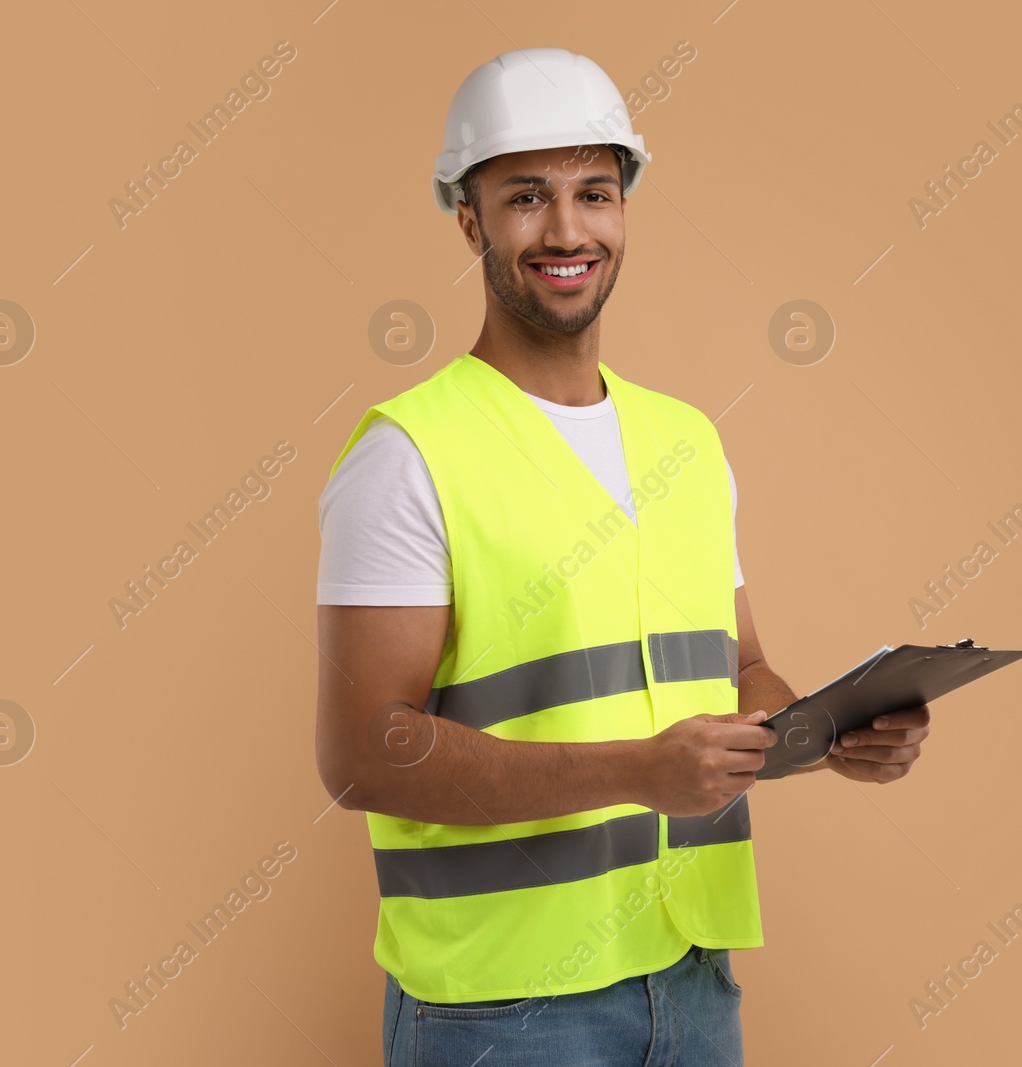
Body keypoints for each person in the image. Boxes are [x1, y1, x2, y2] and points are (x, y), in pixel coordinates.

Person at [314, 47, 932, 1067]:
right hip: (500, 1011)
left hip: (690, 981)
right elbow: (361, 752)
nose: (567, 230)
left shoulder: (684, 442)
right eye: (526, 197)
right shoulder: (407, 455)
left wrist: (827, 733)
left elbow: (738, 673)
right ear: (469, 220)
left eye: (594, 192)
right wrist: (638, 772)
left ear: (625, 208)